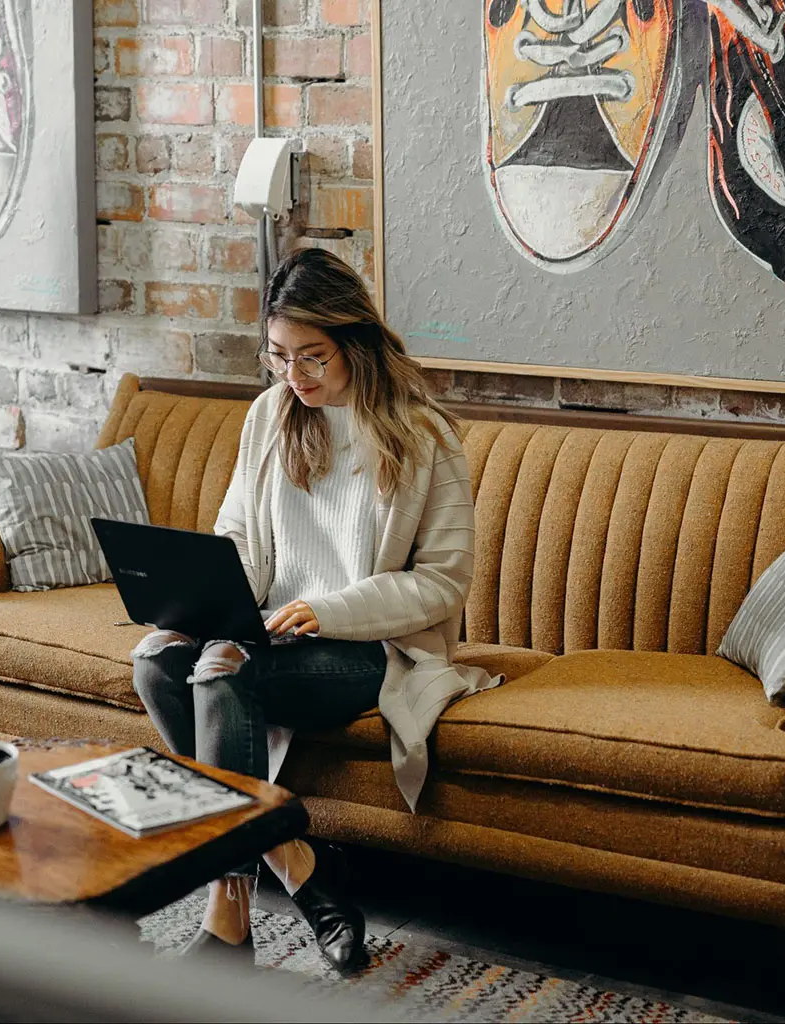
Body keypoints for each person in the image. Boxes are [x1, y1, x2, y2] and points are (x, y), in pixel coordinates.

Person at [132, 247, 499, 970]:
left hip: (367, 648)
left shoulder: (424, 437)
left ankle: (227, 919)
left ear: (355, 342)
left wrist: (327, 610)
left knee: (221, 674)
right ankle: (298, 860)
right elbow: (236, 533)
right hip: (268, 628)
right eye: (278, 356)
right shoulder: (271, 415)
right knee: (157, 661)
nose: (293, 376)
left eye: (312, 357)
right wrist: (198, 605)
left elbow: (442, 582)